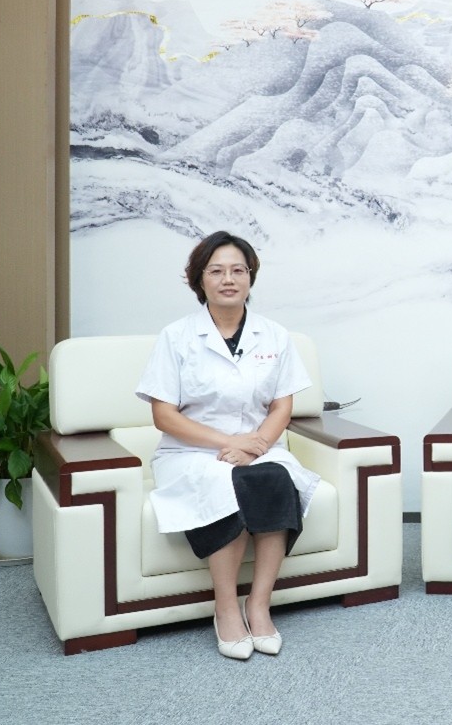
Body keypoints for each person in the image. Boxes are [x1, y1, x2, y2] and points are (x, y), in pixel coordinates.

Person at [136, 231, 320, 660]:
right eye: (216, 271)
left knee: (275, 479)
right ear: (199, 280)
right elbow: (164, 416)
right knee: (227, 483)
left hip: (258, 447)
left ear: (250, 277)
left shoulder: (273, 335)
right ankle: (225, 608)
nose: (228, 279)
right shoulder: (176, 337)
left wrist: (255, 446)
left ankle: (259, 604)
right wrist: (231, 443)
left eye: (238, 270)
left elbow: (282, 405)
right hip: (191, 452)